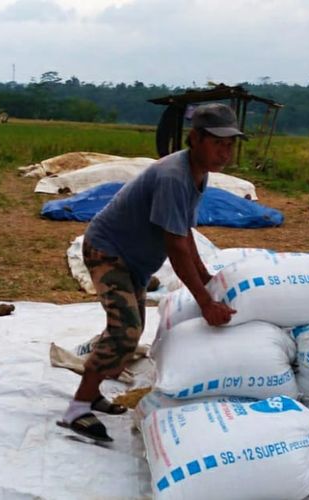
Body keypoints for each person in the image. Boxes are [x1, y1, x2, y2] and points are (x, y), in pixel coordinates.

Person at [57, 103, 242, 442]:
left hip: (133, 260)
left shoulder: (197, 175)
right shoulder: (174, 176)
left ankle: (92, 394)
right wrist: (205, 301)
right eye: (218, 142)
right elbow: (175, 245)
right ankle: (77, 409)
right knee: (124, 330)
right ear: (196, 138)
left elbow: (184, 232)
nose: (225, 152)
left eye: (230, 144)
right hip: (108, 252)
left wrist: (206, 278)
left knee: (131, 328)